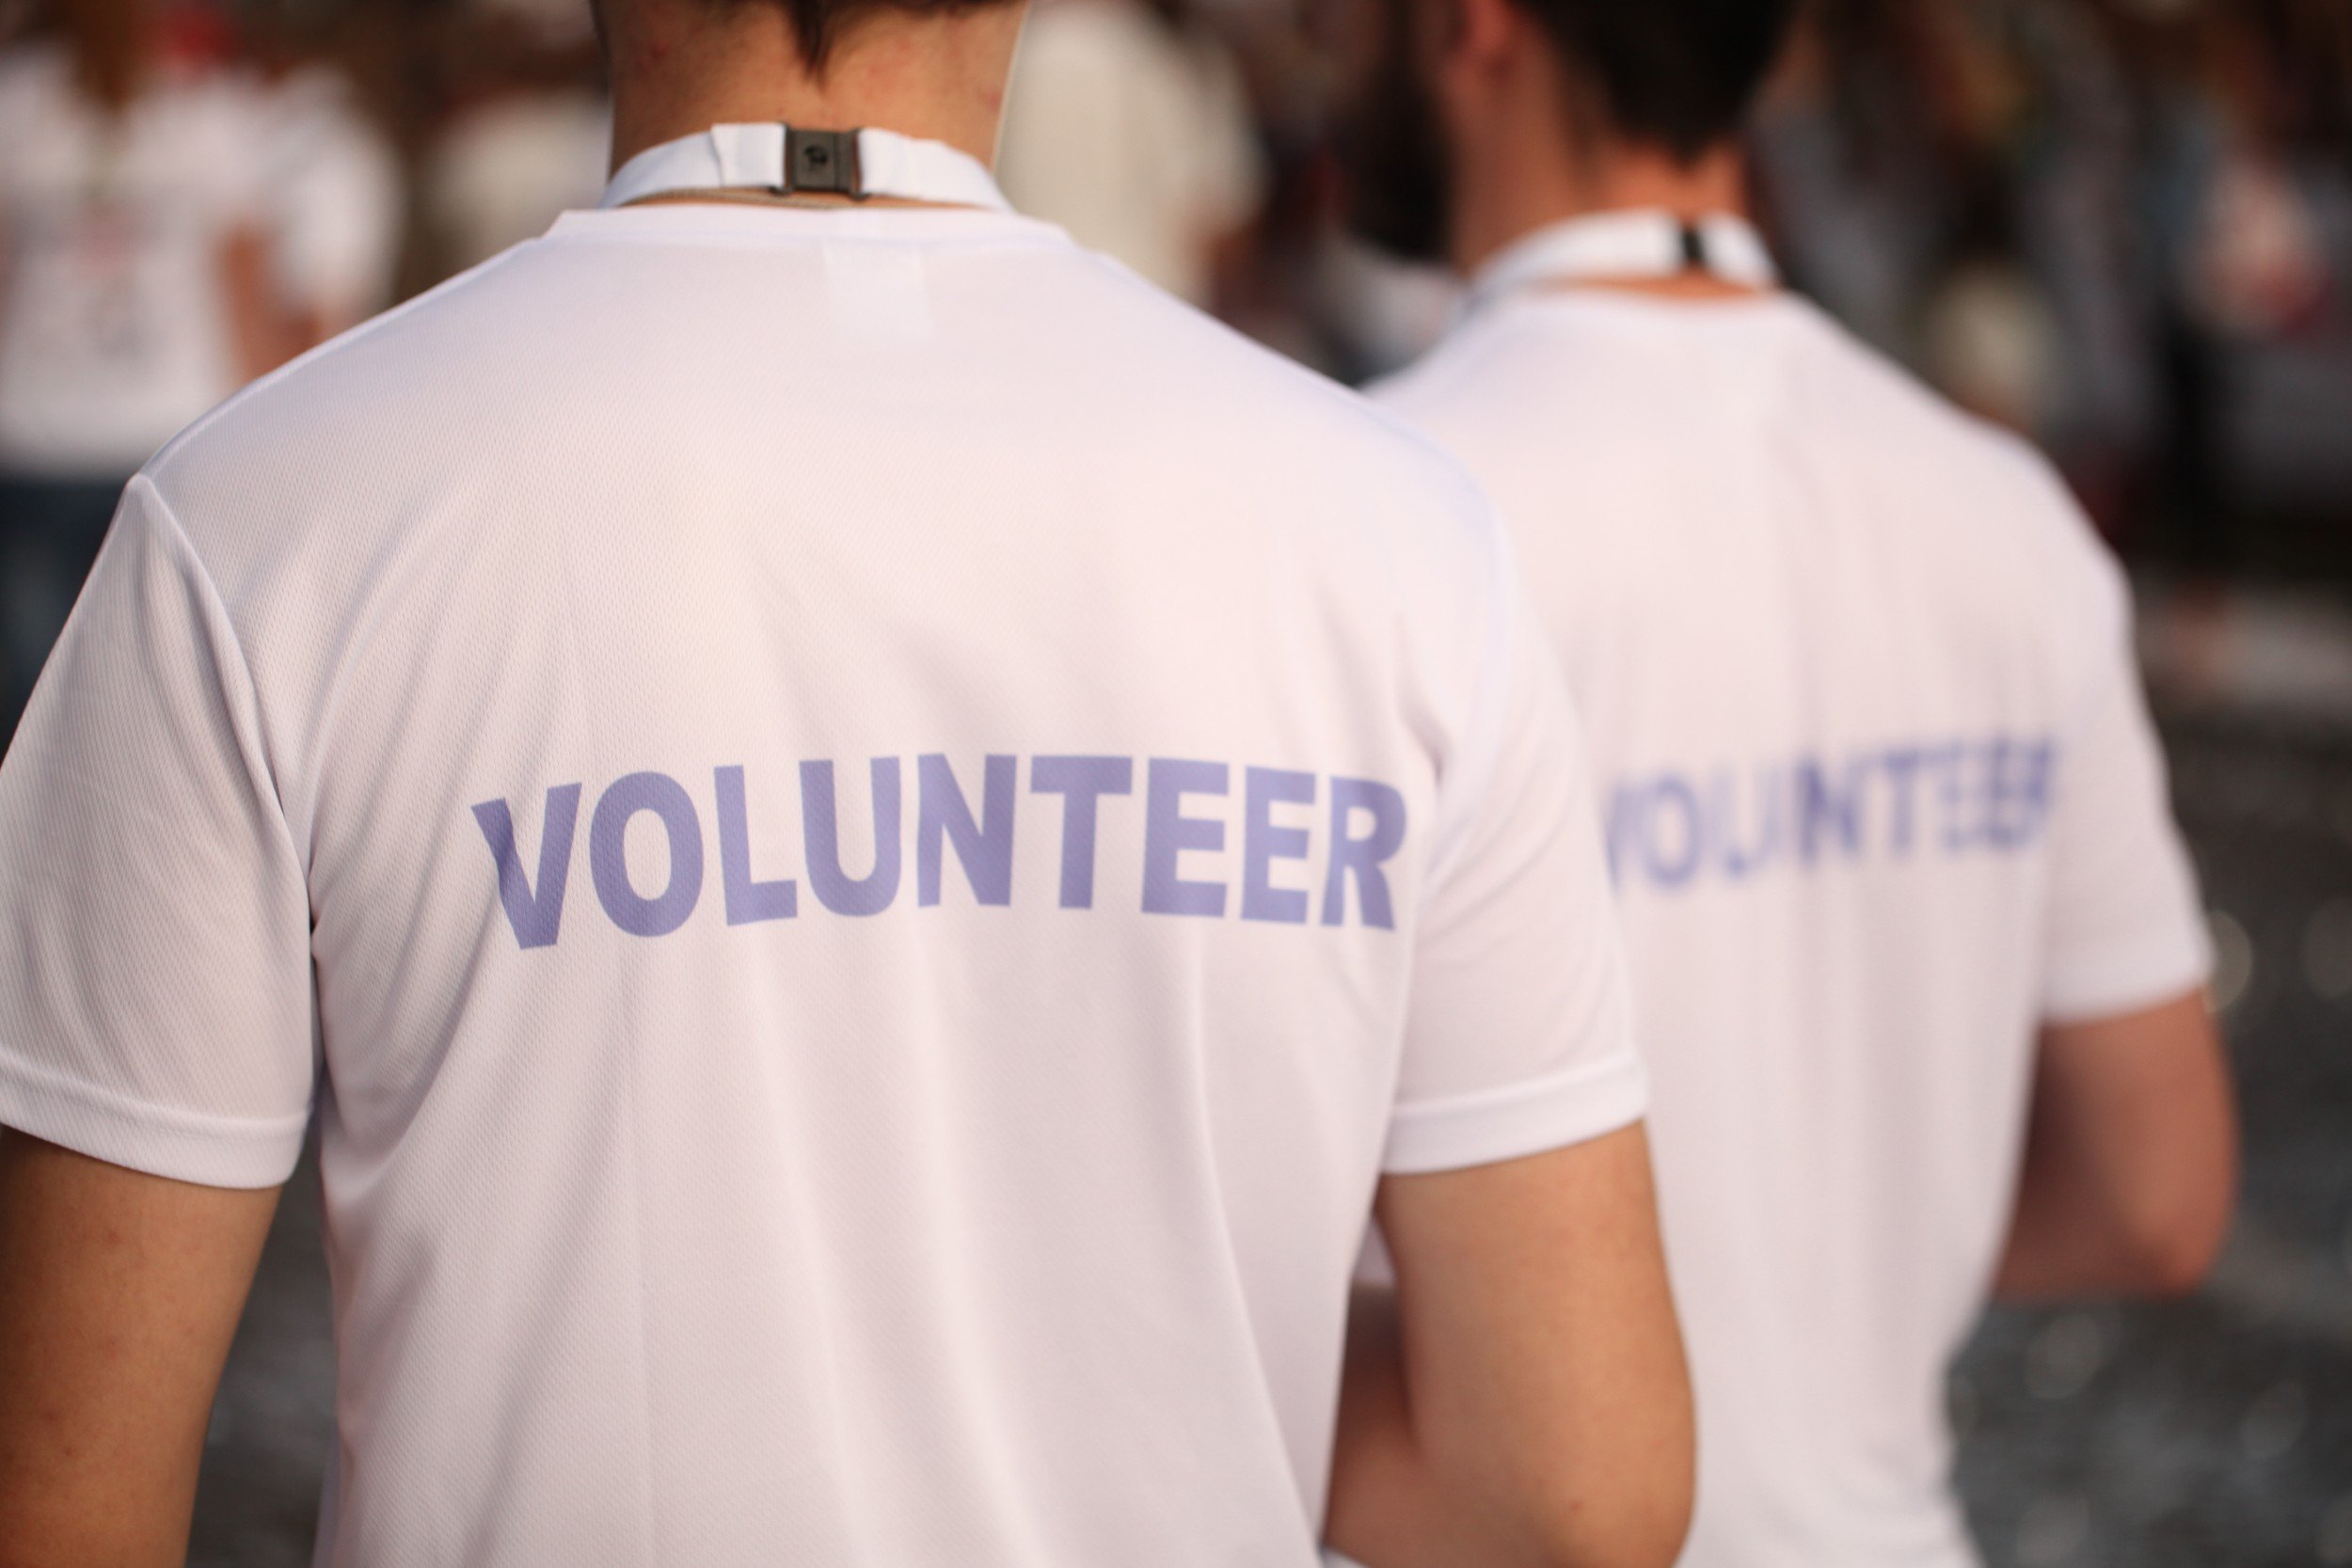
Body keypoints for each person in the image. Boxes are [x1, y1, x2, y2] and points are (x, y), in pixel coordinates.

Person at [0, 0, 1696, 1560]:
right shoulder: (1397, 536)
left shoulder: (259, 522)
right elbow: (1575, 1486)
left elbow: (58, 1502)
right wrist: (1146, 1363)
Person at [1333, 1, 2239, 1564]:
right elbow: (2156, 1195)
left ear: (1474, 26)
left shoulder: (1359, 522)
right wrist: (1869, 1235)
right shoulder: (2001, 515)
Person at [0, 0, 397, 738]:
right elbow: (243, 302)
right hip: (170, 441)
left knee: (29, 716)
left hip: (34, 436)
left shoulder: (16, 102)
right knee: (158, 709)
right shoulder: (208, 116)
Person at [995, 0, 1266, 309]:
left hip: (1037, 301)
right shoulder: (1171, 52)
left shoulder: (1010, 47)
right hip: (1154, 304)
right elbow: (1217, 216)